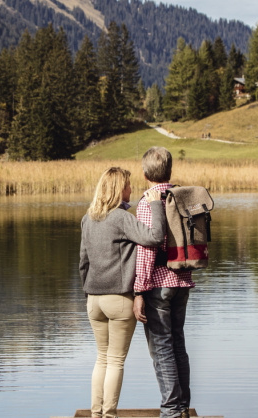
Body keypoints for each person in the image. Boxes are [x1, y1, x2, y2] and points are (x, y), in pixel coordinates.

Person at [80, 167, 169, 418]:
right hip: (119, 299)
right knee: (116, 361)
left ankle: (96, 413)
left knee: (102, 359)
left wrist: (89, 292)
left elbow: (82, 263)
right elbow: (155, 237)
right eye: (128, 186)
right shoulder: (121, 218)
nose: (131, 190)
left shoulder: (88, 218)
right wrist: (155, 206)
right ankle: (109, 414)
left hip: (93, 300)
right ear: (120, 190)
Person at [132, 146, 195, 418]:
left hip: (158, 284)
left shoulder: (148, 202)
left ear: (145, 173)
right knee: (177, 343)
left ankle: (170, 410)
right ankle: (181, 407)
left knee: (162, 348)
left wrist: (138, 290)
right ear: (170, 170)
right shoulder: (181, 196)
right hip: (183, 279)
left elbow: (146, 250)